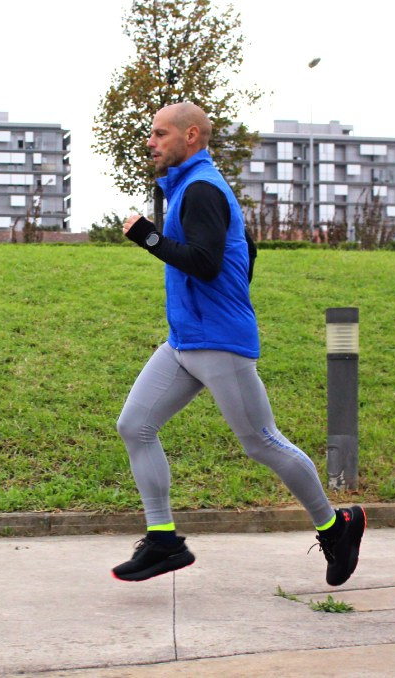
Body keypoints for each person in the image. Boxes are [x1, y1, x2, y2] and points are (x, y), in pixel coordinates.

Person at [111, 102, 365, 585]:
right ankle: (164, 539)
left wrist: (146, 238)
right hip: (185, 340)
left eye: (160, 134)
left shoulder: (201, 188)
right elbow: (247, 248)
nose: (151, 142)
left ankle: (337, 526)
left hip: (220, 341)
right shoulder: (188, 185)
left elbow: (205, 263)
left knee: (262, 442)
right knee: (135, 425)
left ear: (191, 137)